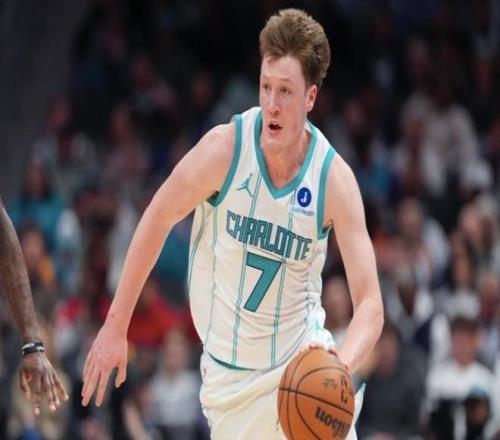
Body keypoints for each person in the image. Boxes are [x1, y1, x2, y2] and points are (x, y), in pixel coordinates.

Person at [82, 8, 383, 439]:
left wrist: (340, 364)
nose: (272, 104)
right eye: (266, 86)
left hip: (302, 367)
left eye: (286, 91)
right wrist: (116, 325)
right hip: (231, 382)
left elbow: (370, 303)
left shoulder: (332, 179)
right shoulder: (224, 150)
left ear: (311, 97)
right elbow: (157, 217)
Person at [0, 196, 68, 416]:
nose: (33, 250)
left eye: (37, 244)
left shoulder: (48, 284)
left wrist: (33, 344)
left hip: (37, 347)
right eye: (29, 244)